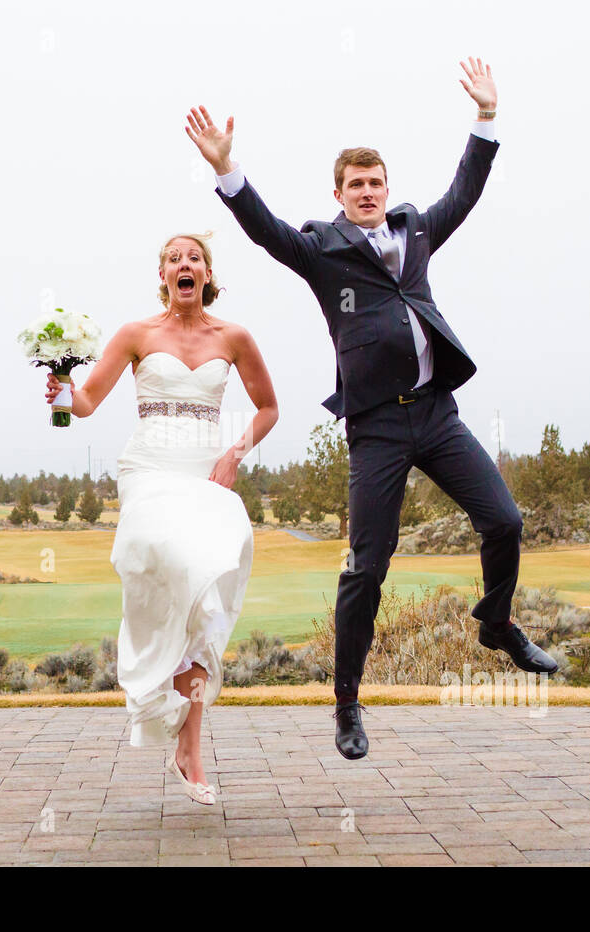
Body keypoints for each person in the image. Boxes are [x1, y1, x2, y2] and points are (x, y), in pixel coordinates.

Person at [185, 57, 556, 762]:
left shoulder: (416, 231)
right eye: (354, 185)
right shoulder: (323, 251)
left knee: (504, 519)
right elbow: (267, 233)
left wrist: (485, 118)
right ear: (338, 194)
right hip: (378, 427)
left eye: (375, 183)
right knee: (366, 567)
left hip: (438, 414)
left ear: (388, 190)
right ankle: (348, 704)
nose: (366, 192)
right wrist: (228, 171)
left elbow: (464, 193)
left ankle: (498, 624)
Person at [43, 232, 278, 803]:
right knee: (168, 571)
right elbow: (86, 403)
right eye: (174, 259)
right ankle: (164, 690)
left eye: (193, 257)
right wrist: (60, 390)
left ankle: (190, 748)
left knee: (205, 599)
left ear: (207, 272)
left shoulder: (235, 337)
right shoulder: (136, 335)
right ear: (163, 274)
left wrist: (234, 452)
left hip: (206, 474)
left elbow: (269, 407)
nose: (184, 265)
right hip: (148, 471)